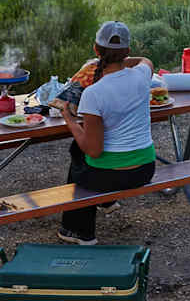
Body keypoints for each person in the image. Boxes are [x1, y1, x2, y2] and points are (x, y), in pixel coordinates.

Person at [58, 20, 156, 245]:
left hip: (109, 176)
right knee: (79, 151)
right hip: (145, 169)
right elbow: (146, 61)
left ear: (95, 49)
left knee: (78, 156)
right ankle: (106, 202)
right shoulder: (142, 76)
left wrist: (70, 120)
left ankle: (80, 231)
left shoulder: (94, 93)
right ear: (128, 51)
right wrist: (121, 59)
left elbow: (94, 149)